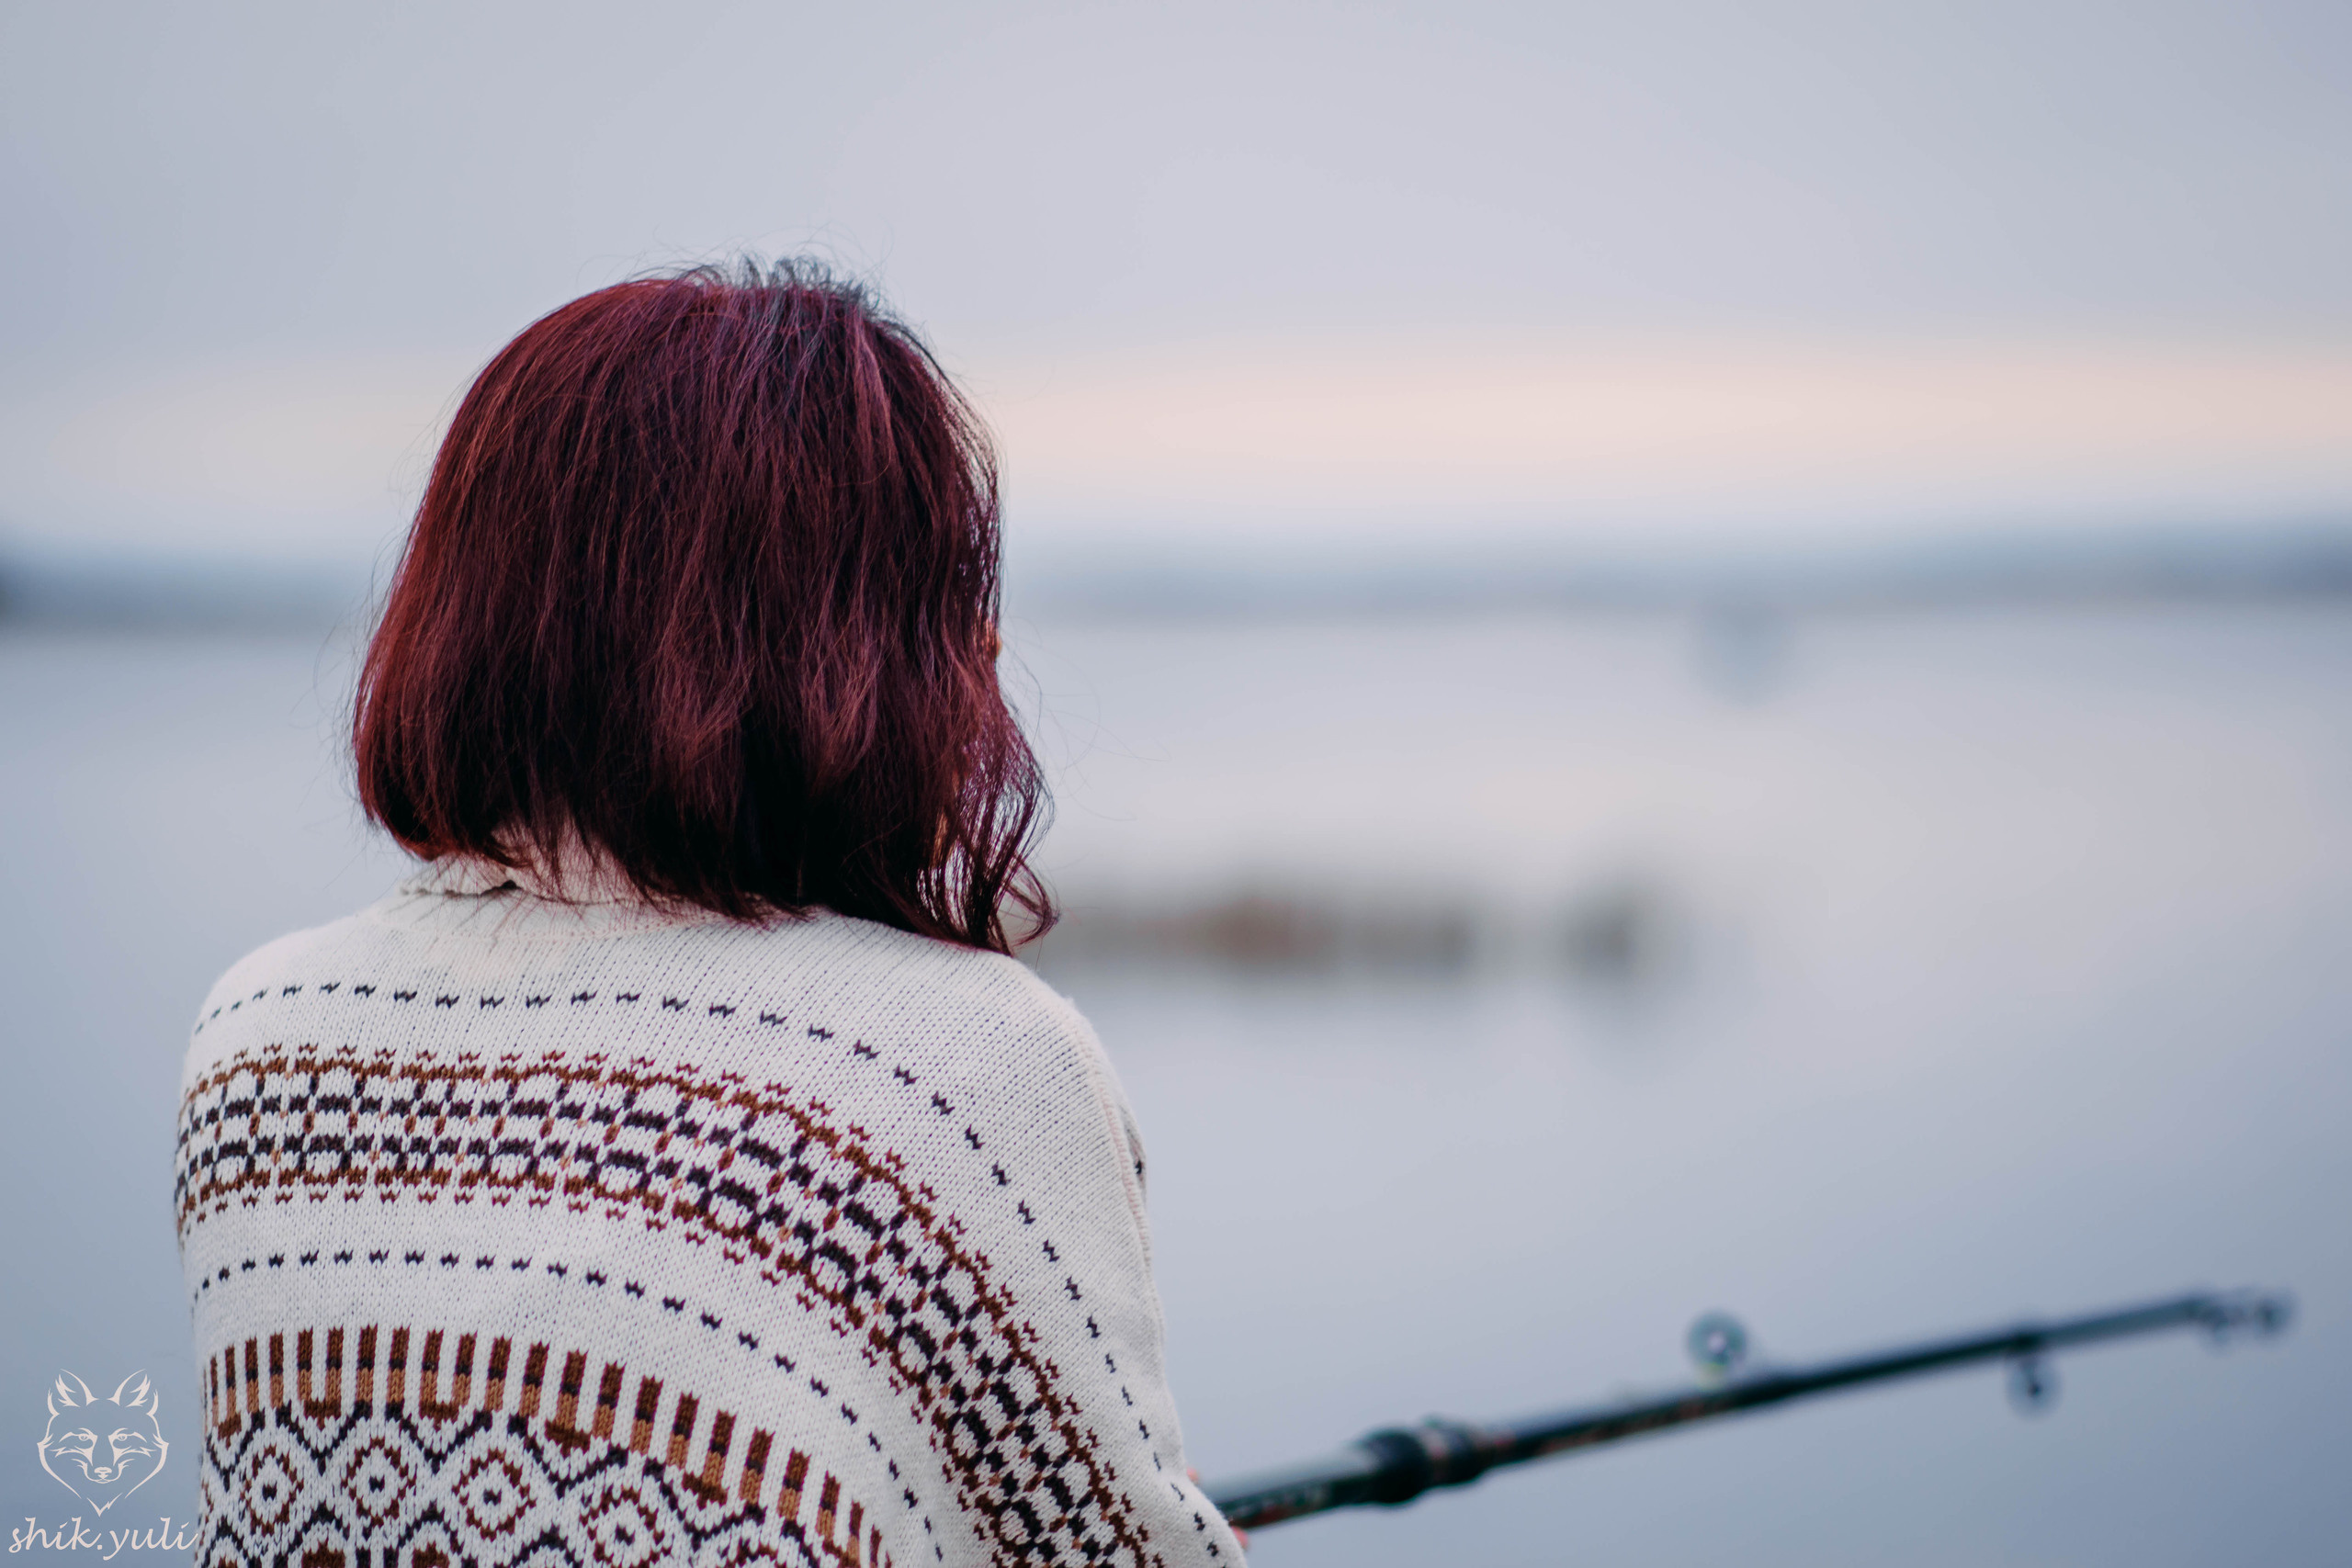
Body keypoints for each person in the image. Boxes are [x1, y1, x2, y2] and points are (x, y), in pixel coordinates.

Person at [174, 262, 1246, 1568]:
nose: (987, 655)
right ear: (858, 652)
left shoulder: (260, 1039)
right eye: (944, 600)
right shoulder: (960, 1069)